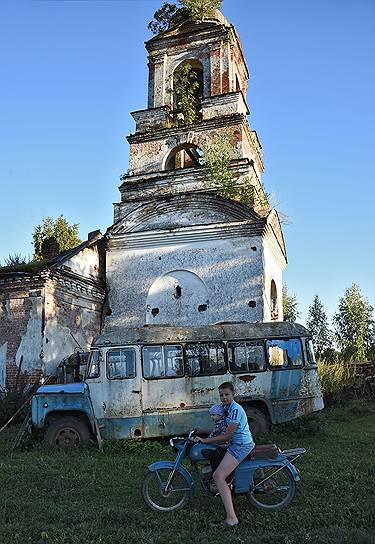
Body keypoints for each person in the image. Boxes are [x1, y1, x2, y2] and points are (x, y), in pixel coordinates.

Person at [194, 382, 255, 527]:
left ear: (233, 395)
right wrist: (202, 430)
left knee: (218, 476)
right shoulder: (225, 408)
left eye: (227, 394)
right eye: (221, 395)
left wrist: (205, 440)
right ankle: (228, 482)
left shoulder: (234, 410)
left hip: (241, 446)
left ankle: (232, 518)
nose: (224, 397)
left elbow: (226, 435)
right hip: (234, 444)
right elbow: (220, 428)